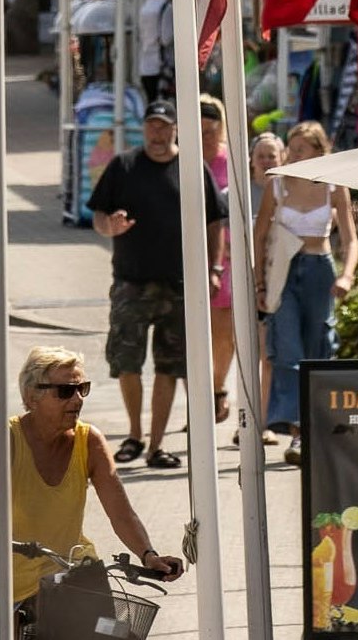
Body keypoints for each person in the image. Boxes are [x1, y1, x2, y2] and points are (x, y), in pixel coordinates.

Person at [0, 346, 180, 634]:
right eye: (65, 391)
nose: (77, 399)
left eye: (82, 389)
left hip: (68, 571)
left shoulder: (89, 441)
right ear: (32, 397)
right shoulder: (6, 440)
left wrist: (148, 555)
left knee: (114, 633)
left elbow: (121, 512)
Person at [89, 99, 229, 469]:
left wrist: (214, 268)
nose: (158, 132)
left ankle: (156, 445)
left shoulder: (192, 168)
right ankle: (133, 435)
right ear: (144, 128)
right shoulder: (124, 166)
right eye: (152, 125)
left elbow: (215, 222)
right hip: (131, 283)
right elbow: (99, 216)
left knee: (170, 367)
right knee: (127, 362)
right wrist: (110, 227)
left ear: (175, 130)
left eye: (164, 126)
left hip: (179, 284)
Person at [253, 119, 358, 466]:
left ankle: (317, 428)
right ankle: (297, 431)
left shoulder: (333, 186)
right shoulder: (278, 185)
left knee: (318, 346)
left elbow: (350, 238)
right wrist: (259, 282)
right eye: (291, 147)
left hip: (318, 268)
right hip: (284, 270)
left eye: (300, 148)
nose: (292, 153)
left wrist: (347, 275)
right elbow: (259, 235)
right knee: (287, 348)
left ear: (318, 151)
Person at [243, 132, 286, 445]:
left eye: (273, 155)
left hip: (276, 282)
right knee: (242, 354)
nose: (267, 161)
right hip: (239, 282)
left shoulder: (290, 193)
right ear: (251, 159)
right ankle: (244, 418)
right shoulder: (238, 193)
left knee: (266, 357)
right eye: (262, 155)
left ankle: (262, 422)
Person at [199, 95, 238, 425]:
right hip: (188, 254)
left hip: (226, 256)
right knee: (194, 331)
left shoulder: (230, 161)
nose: (204, 138)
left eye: (210, 130)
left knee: (223, 331)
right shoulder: (181, 161)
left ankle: (215, 388)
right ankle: (201, 395)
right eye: (197, 131)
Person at [137, 0, 174, 103]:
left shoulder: (146, 7)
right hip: (161, 67)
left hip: (146, 66)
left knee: (151, 105)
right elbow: (166, 38)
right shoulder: (166, 7)